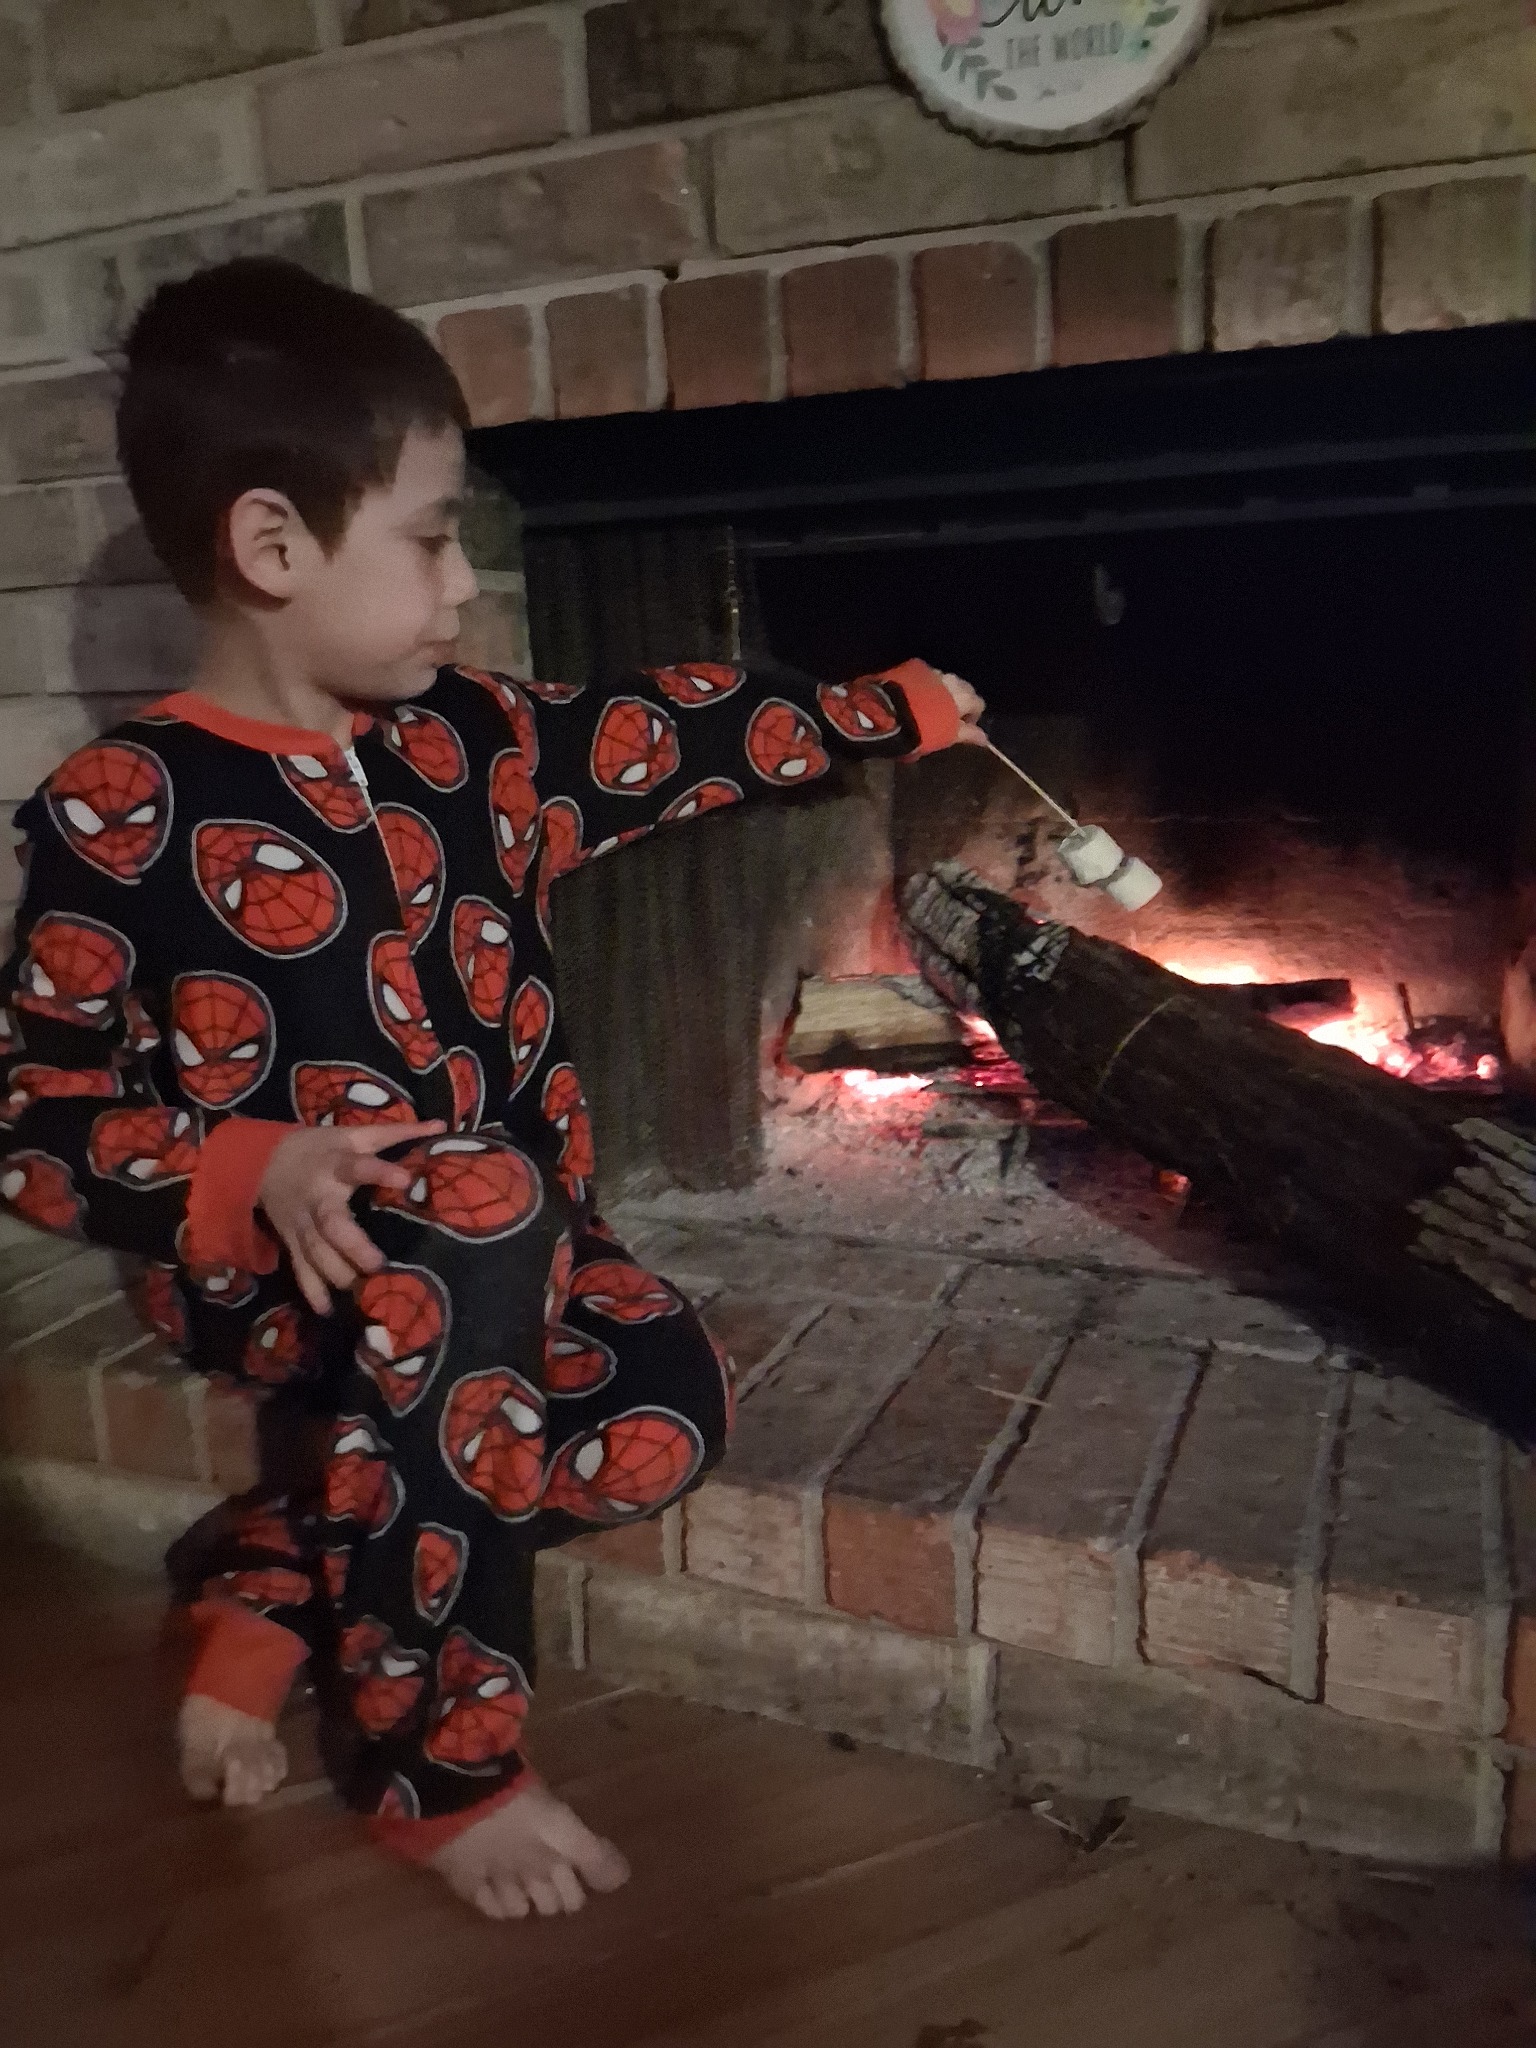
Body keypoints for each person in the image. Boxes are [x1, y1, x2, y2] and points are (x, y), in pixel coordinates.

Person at [0, 258, 986, 1921]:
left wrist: (884, 712)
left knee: (671, 1407)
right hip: (289, 1274)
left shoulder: (476, 742)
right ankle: (439, 1766)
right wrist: (251, 1169)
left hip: (524, 1264)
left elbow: (671, 732)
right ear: (272, 547)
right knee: (479, 1199)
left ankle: (276, 1574)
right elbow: (33, 1116)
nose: (465, 582)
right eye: (432, 537)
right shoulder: (119, 810)